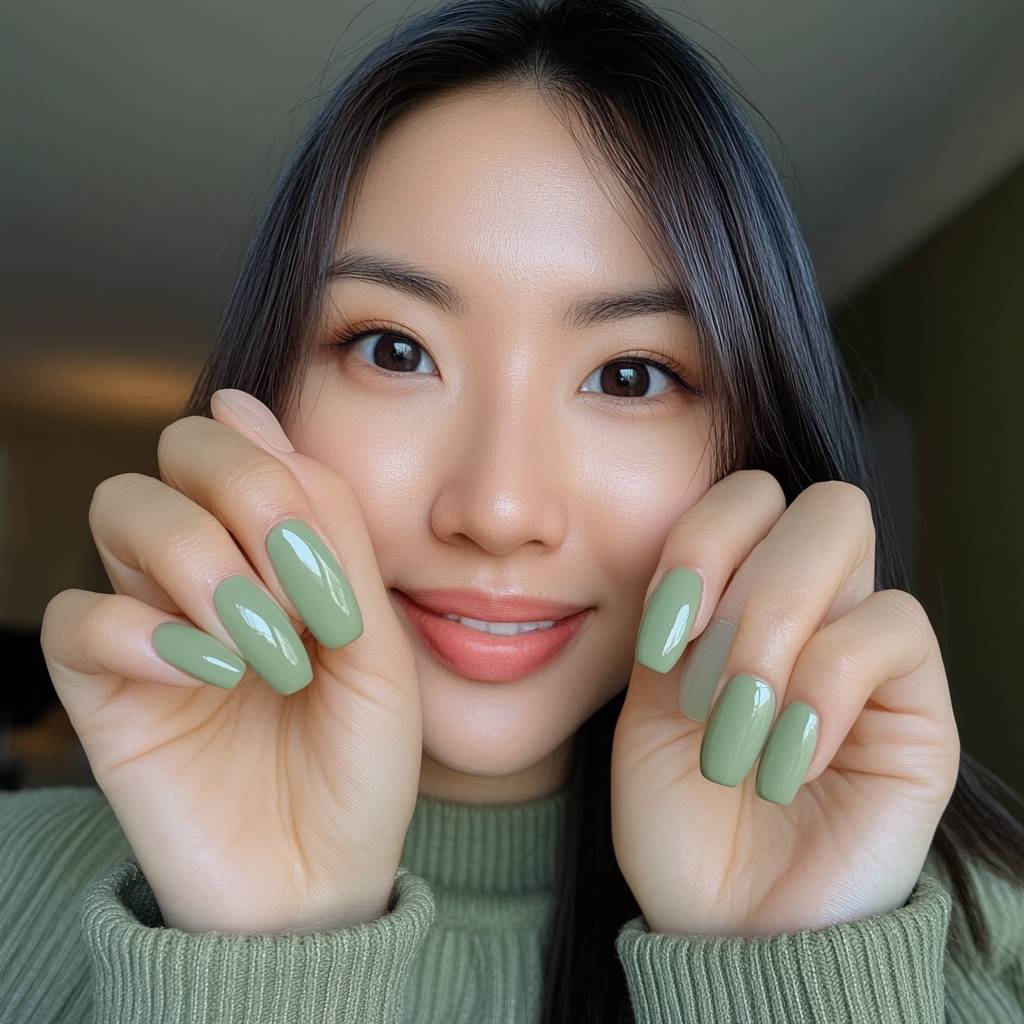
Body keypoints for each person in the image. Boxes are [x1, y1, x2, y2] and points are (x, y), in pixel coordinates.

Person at [3, 1, 1023, 1021]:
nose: (497, 509)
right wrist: (258, 956)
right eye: (394, 350)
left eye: (629, 375)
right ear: (265, 393)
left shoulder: (979, 955)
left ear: (754, 441)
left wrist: (783, 969)